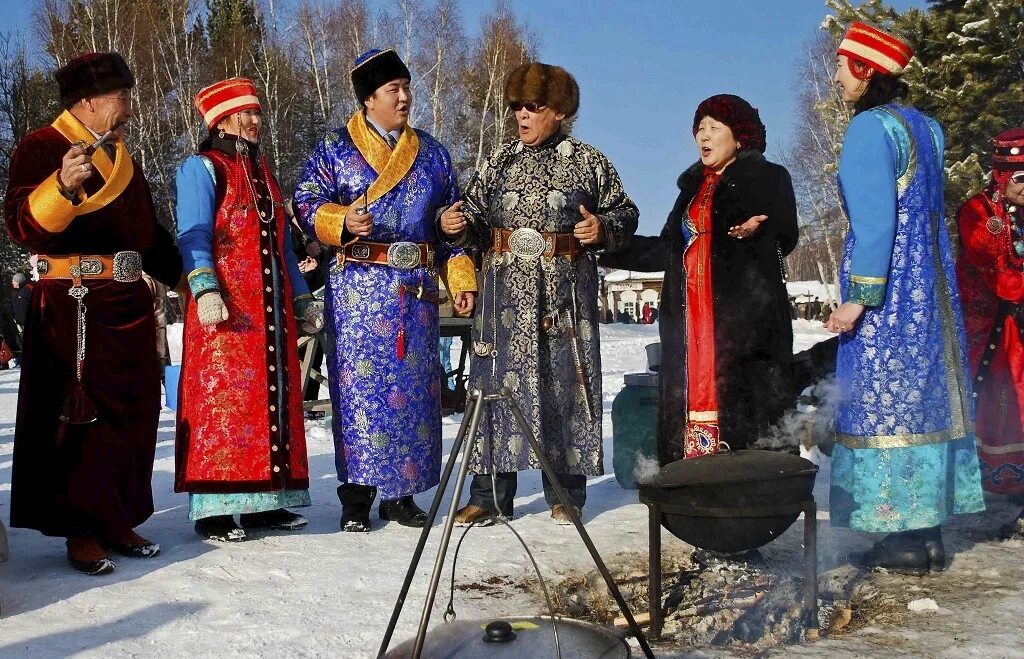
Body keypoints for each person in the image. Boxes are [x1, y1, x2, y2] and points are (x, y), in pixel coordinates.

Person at [3, 52, 183, 574]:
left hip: (127, 304)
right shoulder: (39, 146)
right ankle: (80, 527)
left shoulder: (123, 157)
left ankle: (116, 516)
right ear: (85, 101)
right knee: (81, 418)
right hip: (72, 306)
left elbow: (149, 236)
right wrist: (59, 187)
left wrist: (194, 285)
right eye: (120, 97)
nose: (128, 107)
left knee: (134, 412)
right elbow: (21, 225)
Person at [440, 62, 638, 525]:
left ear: (560, 111)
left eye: (534, 107)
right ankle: (489, 496)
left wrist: (602, 228)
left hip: (563, 295)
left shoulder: (588, 161)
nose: (523, 116)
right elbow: (470, 217)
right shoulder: (499, 160)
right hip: (503, 295)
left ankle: (565, 495)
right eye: (517, 108)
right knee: (494, 389)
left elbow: (625, 214)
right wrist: (454, 224)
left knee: (565, 387)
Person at [294, 49, 476, 532]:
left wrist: (457, 267)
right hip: (357, 290)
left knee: (415, 392)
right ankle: (356, 495)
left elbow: (451, 230)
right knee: (359, 393)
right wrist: (340, 220)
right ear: (368, 98)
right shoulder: (335, 148)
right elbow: (305, 200)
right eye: (393, 89)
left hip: (414, 291)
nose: (404, 97)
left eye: (407, 87)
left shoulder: (433, 153)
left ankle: (403, 492)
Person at [825, 23, 984, 575]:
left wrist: (859, 298)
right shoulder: (926, 126)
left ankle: (899, 540)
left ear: (867, 70)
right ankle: (929, 532)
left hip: (891, 292)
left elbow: (875, 220)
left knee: (884, 403)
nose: (836, 76)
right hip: (932, 289)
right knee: (926, 400)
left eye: (843, 65)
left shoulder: (870, 128)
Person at [599, 94, 797, 461]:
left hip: (744, 319)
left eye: (714, 127)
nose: (703, 136)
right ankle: (691, 491)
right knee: (687, 396)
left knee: (748, 406)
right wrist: (605, 243)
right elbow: (665, 250)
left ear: (740, 136)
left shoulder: (767, 177)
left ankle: (756, 491)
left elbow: (786, 231)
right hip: (690, 320)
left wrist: (757, 232)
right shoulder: (692, 190)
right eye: (699, 128)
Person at [175, 78, 323, 542]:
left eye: (258, 113)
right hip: (226, 310)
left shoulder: (265, 173)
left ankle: (266, 503)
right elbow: (193, 233)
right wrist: (204, 287)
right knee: (223, 404)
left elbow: (280, 246)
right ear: (221, 118)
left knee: (272, 399)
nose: (257, 121)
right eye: (247, 113)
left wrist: (301, 298)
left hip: (270, 314)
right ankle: (214, 510)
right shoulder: (200, 167)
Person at [956, 128, 1024, 531]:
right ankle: (997, 480)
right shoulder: (978, 213)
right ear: (1002, 176)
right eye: (1021, 180)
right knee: (1003, 400)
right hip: (993, 330)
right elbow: (997, 274)